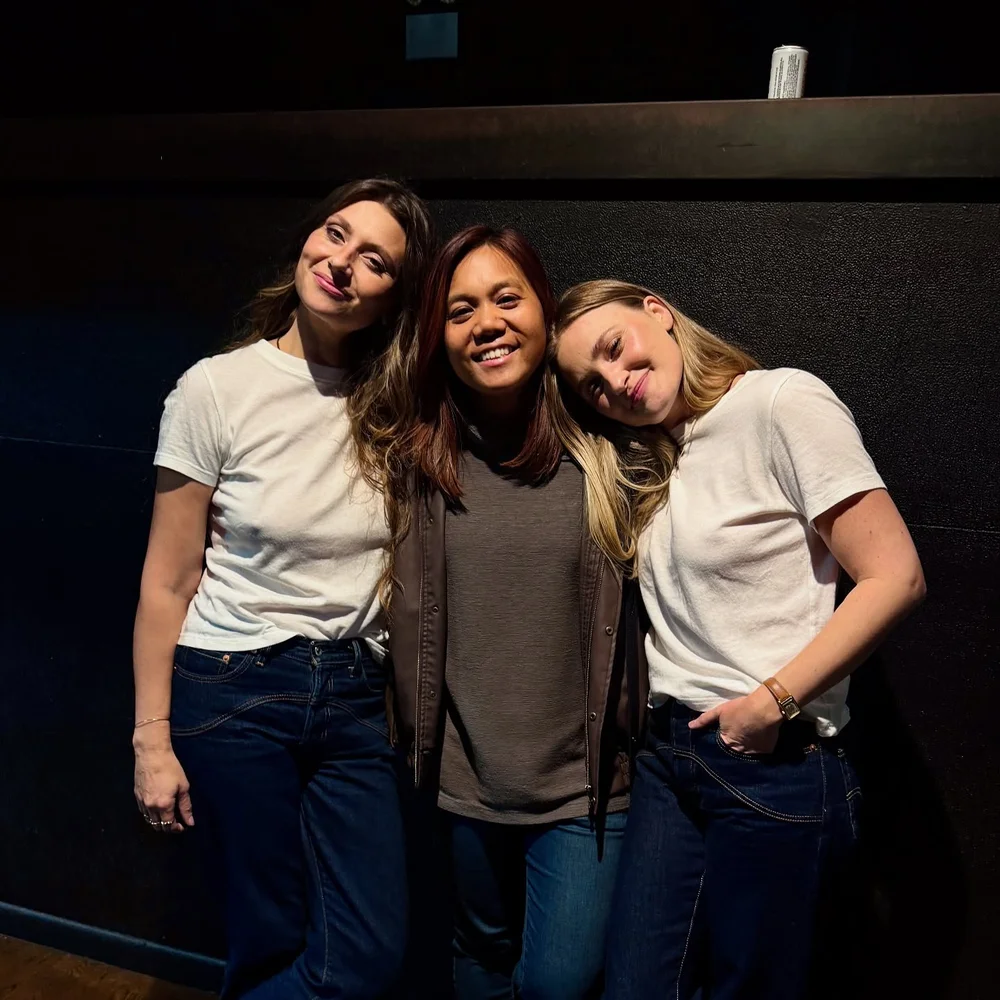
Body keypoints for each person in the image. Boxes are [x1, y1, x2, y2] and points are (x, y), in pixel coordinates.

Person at [549, 279, 926, 1000]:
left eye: (614, 349)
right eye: (590, 385)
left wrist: (769, 703)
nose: (613, 383)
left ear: (656, 312)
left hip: (769, 761)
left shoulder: (779, 403)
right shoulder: (659, 454)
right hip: (669, 758)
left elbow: (895, 577)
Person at [131, 178, 434, 1000]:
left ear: (390, 300)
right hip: (234, 686)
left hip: (356, 698)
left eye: (374, 260)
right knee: (266, 938)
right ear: (308, 238)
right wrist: (151, 740)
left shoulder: (400, 404)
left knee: (368, 953)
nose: (343, 263)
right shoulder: (215, 389)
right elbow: (168, 581)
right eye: (336, 234)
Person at [391, 228, 644, 999]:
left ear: (544, 307)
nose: (487, 323)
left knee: (561, 980)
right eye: (461, 310)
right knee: (478, 951)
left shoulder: (608, 445)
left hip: (583, 785)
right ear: (440, 334)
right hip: (462, 779)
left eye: (508, 298)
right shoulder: (416, 461)